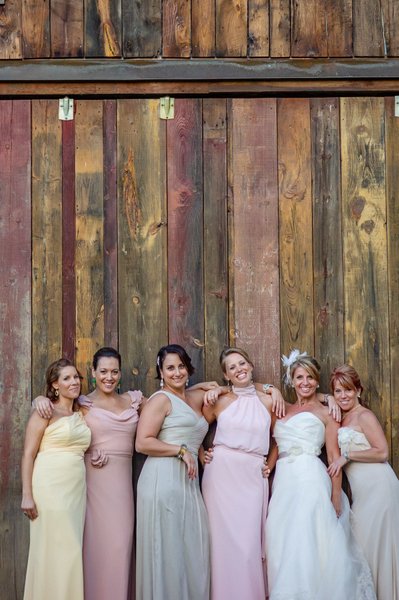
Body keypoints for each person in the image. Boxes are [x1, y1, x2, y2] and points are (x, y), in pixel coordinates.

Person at [265, 350, 376, 600]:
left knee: (308, 538)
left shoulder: (328, 413)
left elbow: (334, 458)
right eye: (299, 377)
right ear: (291, 380)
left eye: (311, 378)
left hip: (309, 478)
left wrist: (336, 495)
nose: (305, 382)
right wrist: (269, 466)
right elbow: (275, 443)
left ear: (317, 381)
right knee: (281, 537)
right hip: (283, 483)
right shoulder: (280, 409)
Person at [34, 347, 143, 600]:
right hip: (92, 482)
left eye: (114, 371)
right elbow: (57, 419)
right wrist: (38, 399)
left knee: (120, 545)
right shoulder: (82, 404)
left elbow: (170, 404)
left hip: (121, 485)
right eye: (103, 371)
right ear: (92, 373)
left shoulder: (135, 400)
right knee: (92, 549)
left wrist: (224, 388)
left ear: (120, 374)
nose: (109, 376)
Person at [201, 347, 285, 600]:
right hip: (221, 475)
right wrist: (200, 452)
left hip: (252, 475)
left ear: (250, 365)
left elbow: (279, 438)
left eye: (242, 364)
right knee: (221, 544)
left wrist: (270, 463)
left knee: (248, 545)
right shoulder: (220, 401)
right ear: (226, 375)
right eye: (232, 367)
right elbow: (193, 428)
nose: (239, 370)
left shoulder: (270, 401)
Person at [135, 344, 212, 600]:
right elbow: (143, 442)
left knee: (189, 548)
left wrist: (268, 389)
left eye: (181, 366)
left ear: (188, 369)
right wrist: (181, 450)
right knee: (167, 549)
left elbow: (227, 387)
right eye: (170, 368)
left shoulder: (192, 396)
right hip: (163, 479)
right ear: (161, 371)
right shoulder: (160, 400)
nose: (176, 372)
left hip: (188, 483)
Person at [21, 358, 91, 600]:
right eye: (67, 378)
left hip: (76, 488)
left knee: (71, 549)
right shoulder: (45, 410)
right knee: (55, 548)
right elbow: (29, 454)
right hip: (49, 485)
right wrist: (27, 495)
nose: (74, 382)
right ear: (55, 385)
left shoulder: (82, 410)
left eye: (76, 377)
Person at [328, 364, 399, 600]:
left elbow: (382, 453)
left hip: (380, 489)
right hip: (363, 493)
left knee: (376, 546)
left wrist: (346, 456)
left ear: (358, 390)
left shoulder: (364, 415)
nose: (343, 396)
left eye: (348, 390)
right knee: (364, 549)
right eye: (338, 391)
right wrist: (327, 398)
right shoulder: (342, 417)